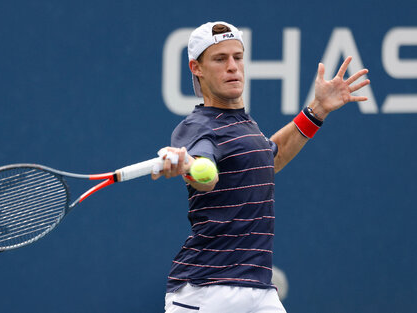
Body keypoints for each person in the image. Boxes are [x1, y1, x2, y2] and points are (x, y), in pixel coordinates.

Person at [152, 21, 370, 313]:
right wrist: (190, 165)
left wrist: (317, 110)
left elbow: (271, 158)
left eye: (237, 57)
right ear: (197, 68)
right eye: (220, 59)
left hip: (258, 290)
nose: (233, 66)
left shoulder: (244, 126)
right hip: (205, 292)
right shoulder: (197, 127)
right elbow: (206, 176)